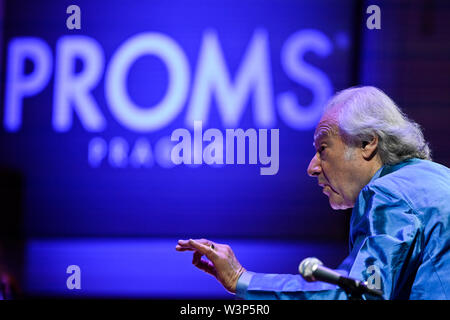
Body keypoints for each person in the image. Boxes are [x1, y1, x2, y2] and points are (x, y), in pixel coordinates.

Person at [176, 86, 450, 300]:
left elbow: (358, 293)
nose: (312, 168)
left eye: (323, 149)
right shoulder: (436, 177)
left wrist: (241, 279)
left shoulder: (387, 193)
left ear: (367, 143)